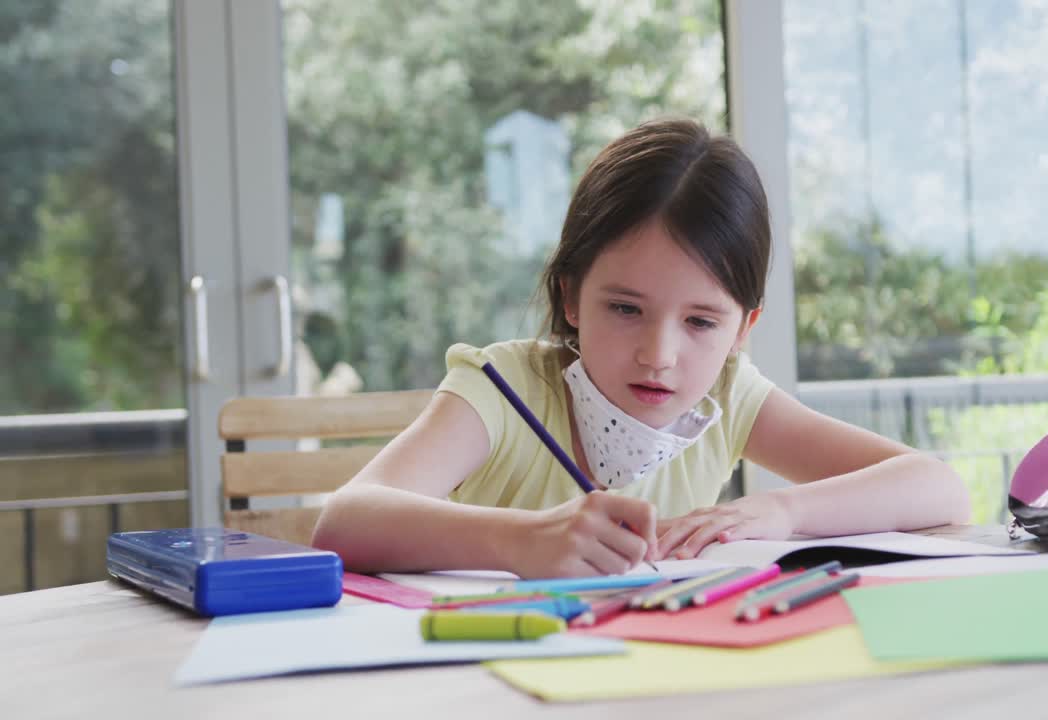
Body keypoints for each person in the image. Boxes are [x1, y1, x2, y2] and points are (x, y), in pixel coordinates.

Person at [311, 118, 970, 577]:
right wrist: (521, 541)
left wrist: (782, 510)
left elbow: (939, 488)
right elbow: (343, 523)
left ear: (744, 329)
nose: (659, 354)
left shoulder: (729, 395)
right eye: (625, 308)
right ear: (570, 298)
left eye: (702, 323)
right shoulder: (503, 387)